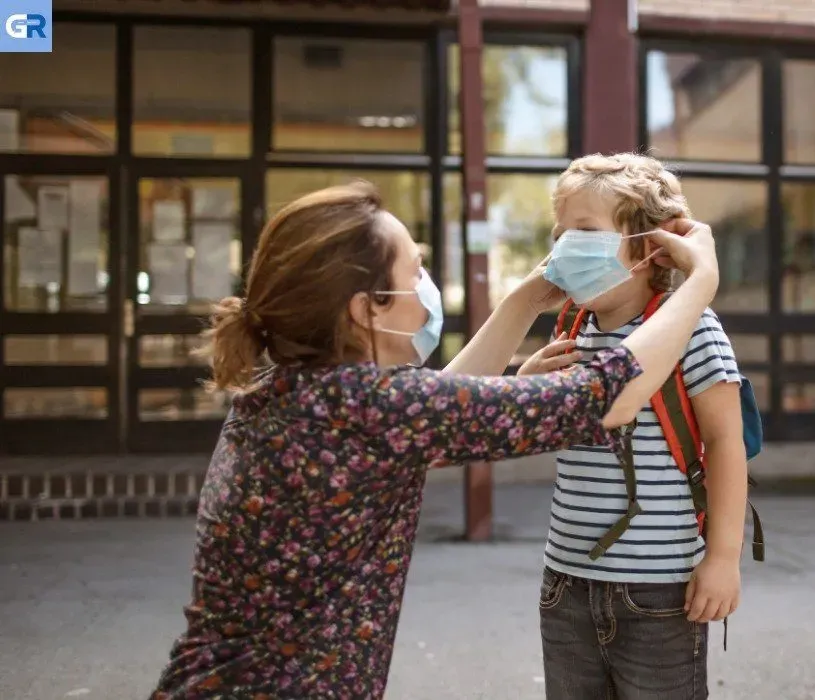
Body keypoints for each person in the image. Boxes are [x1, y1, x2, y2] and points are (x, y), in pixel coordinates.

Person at [148, 180, 722, 700]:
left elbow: (434, 414)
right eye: (413, 270)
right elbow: (609, 395)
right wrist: (701, 281)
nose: (425, 286)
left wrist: (525, 299)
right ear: (366, 310)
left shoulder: (291, 388)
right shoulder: (373, 405)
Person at [517, 153, 747, 700]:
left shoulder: (692, 326)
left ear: (648, 248)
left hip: (660, 588)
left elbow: (724, 442)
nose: (564, 247)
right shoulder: (572, 327)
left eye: (584, 231)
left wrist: (721, 559)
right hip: (565, 583)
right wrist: (525, 384)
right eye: (560, 232)